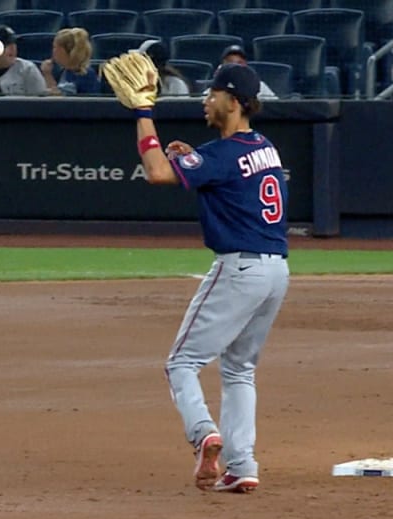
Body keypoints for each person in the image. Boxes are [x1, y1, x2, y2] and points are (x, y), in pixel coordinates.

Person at [104, 56, 289, 493]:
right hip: (277, 271)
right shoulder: (264, 146)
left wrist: (143, 114)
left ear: (236, 101)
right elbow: (222, 173)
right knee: (240, 369)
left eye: (214, 94)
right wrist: (194, 158)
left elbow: (156, 173)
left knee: (182, 363)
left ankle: (203, 433)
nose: (206, 100)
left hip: (239, 268)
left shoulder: (223, 155)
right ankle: (242, 465)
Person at [40, 27, 99, 96]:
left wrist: (48, 75)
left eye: (55, 47)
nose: (53, 51)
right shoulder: (63, 72)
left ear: (64, 51)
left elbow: (57, 99)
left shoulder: (86, 75)